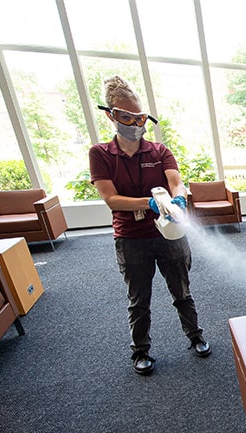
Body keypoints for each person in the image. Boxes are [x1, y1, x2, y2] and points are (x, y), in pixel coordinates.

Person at [89, 75, 210, 375]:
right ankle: (140, 351)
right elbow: (112, 199)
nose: (135, 124)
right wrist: (150, 202)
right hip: (131, 239)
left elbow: (176, 182)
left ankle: (195, 336)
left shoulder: (159, 151)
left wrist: (178, 199)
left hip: (170, 235)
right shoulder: (101, 154)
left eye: (139, 117)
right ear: (112, 115)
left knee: (182, 291)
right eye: (127, 117)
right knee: (139, 299)